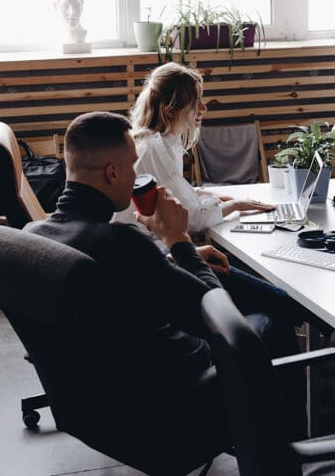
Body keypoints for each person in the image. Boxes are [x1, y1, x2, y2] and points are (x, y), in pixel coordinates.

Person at [27, 110, 305, 441]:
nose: (136, 175)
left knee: (254, 292)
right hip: (170, 406)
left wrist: (169, 257)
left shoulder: (35, 236)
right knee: (271, 319)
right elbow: (213, 315)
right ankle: (287, 446)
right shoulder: (120, 242)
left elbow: (117, 282)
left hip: (97, 401)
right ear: (113, 173)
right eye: (133, 166)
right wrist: (179, 240)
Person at [112, 62, 276, 232]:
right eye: (195, 102)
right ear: (171, 109)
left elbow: (173, 192)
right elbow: (191, 219)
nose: (203, 108)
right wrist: (238, 205)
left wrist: (204, 192)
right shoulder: (156, 150)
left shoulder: (162, 142)